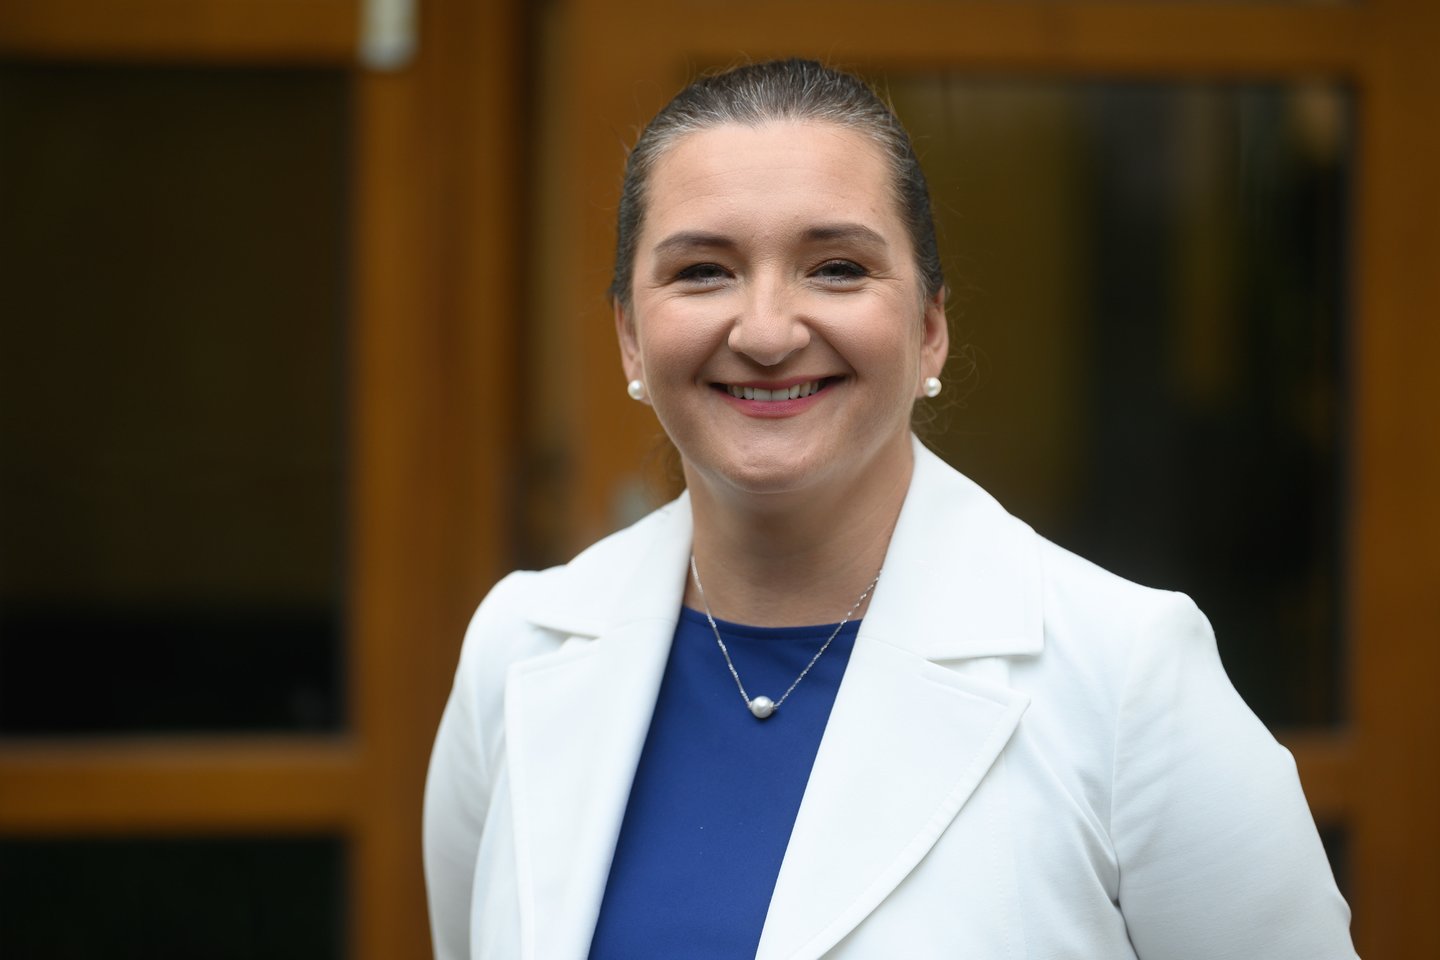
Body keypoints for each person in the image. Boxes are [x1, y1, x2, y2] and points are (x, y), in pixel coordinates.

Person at [423, 59, 1357, 960]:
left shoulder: (1127, 681)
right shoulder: (519, 651)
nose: (767, 331)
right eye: (703, 271)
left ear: (929, 329)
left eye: (835, 267)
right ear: (631, 336)